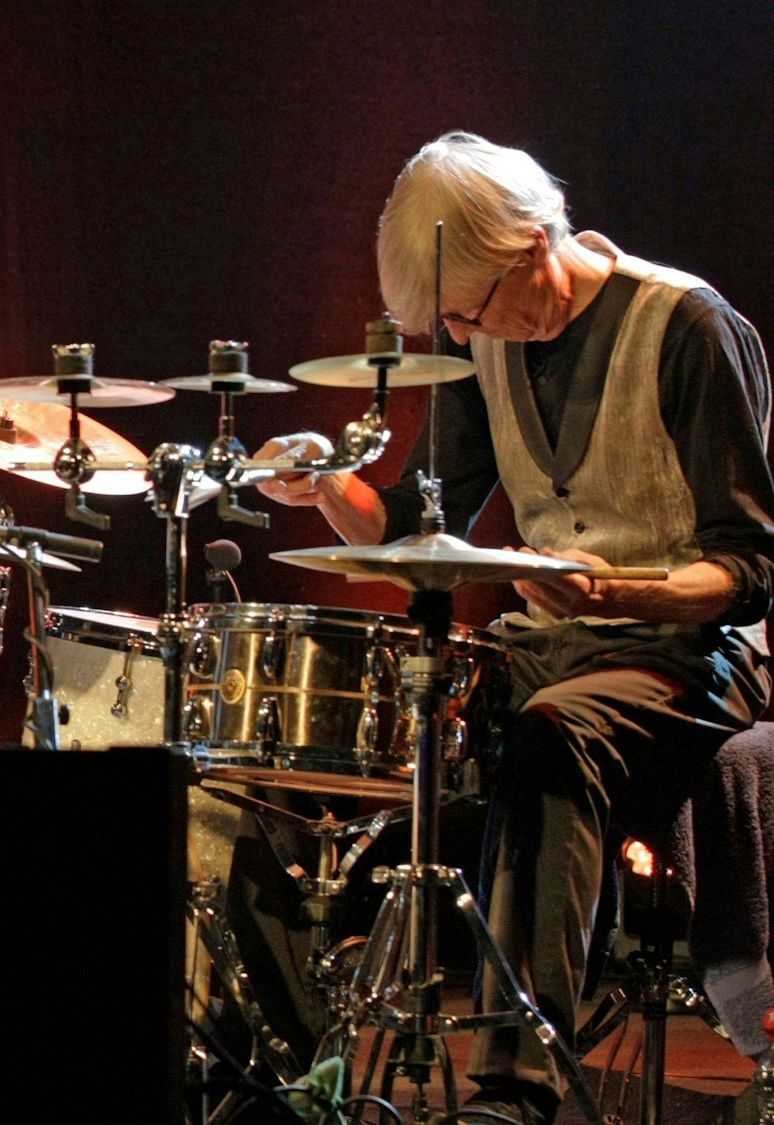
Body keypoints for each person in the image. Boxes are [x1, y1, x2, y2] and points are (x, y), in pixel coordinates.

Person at [255, 131, 774, 1123]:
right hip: (554, 646)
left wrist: (621, 597)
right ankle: (279, 1064)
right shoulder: (483, 335)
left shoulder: (687, 325)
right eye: (449, 320)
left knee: (552, 735)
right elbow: (414, 525)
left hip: (690, 650)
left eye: (467, 309)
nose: (460, 331)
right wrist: (323, 484)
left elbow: (749, 571)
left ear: (535, 244)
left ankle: (514, 1089)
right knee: (312, 729)